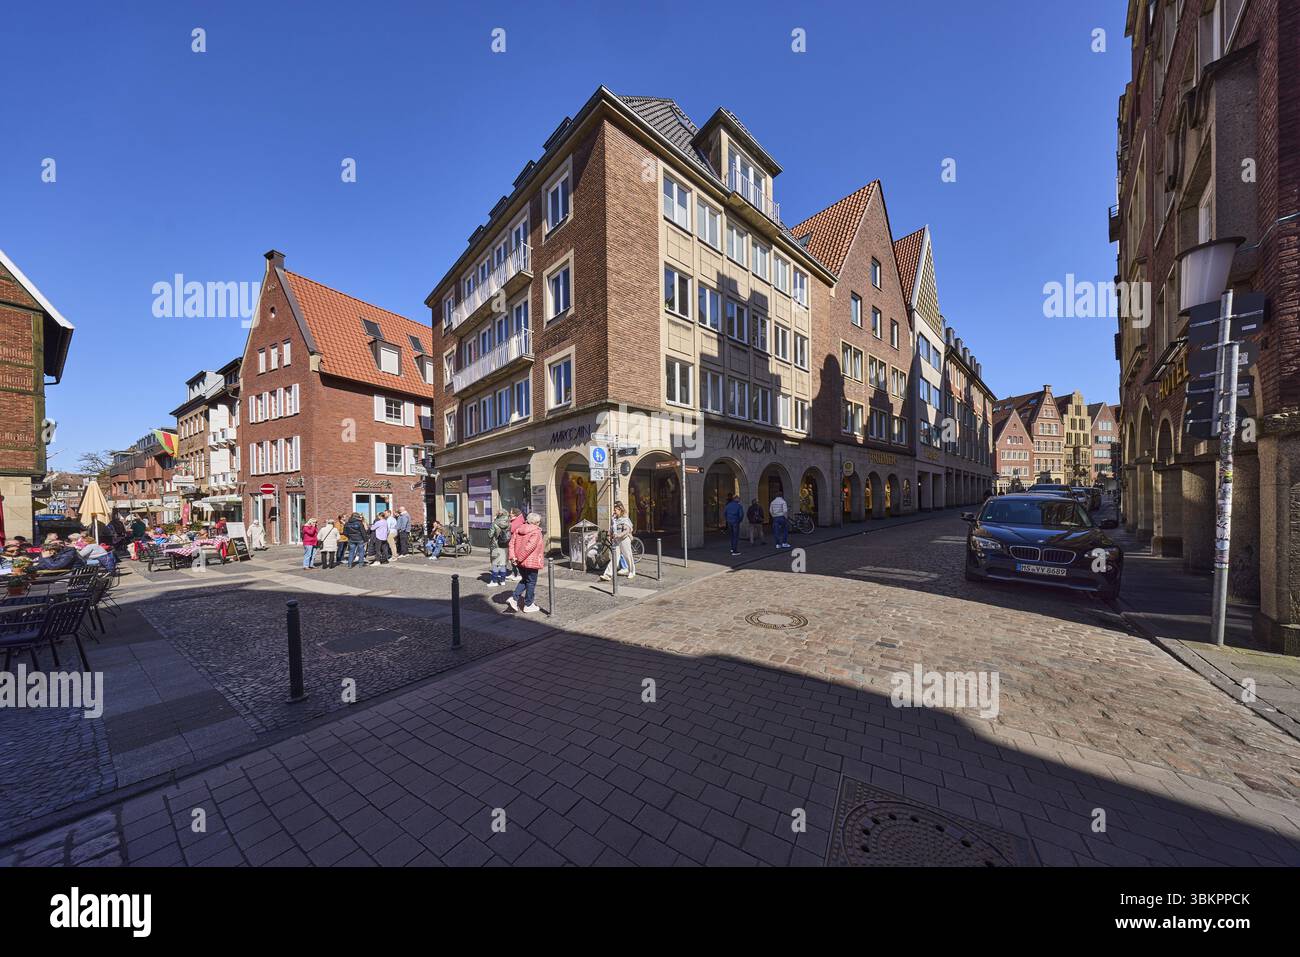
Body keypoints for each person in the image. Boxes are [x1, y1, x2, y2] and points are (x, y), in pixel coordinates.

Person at [506, 512, 544, 614]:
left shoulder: (518, 529)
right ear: (536, 522)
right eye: (539, 522)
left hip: (519, 562)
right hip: (530, 561)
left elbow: (511, 544)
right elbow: (529, 548)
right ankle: (528, 604)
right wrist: (518, 558)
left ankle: (514, 599)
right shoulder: (536, 532)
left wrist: (513, 557)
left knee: (525, 580)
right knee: (531, 582)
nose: (539, 523)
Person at [600, 501, 636, 582]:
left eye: (616, 509)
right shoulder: (614, 519)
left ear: (620, 510)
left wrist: (619, 535)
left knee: (627, 556)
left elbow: (627, 530)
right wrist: (610, 532)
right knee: (614, 558)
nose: (614, 511)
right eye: (614, 509)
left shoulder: (625, 518)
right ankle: (607, 575)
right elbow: (612, 528)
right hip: (616, 540)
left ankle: (632, 571)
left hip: (624, 539)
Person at [488, 509, 511, 584]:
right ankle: (503, 580)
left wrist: (493, 523)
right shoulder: (508, 523)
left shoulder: (495, 523)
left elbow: (490, 535)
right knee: (503, 564)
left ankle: (494, 581)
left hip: (496, 546)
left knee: (495, 563)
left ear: (498, 515)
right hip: (505, 545)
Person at [506, 507, 525, 582]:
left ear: (515, 513)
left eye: (511, 512)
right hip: (512, 541)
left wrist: (508, 524)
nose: (510, 513)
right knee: (512, 557)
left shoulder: (518, 520)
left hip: (516, 542)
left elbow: (511, 529)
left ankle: (519, 574)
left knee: (515, 558)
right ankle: (514, 573)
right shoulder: (513, 520)